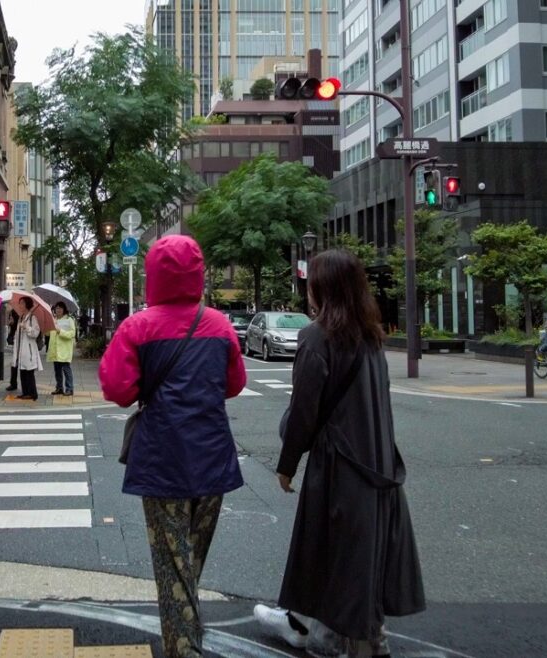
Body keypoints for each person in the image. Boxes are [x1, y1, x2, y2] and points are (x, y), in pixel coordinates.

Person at [256, 249, 424, 657]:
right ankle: (364, 636)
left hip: (339, 464)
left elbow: (304, 411)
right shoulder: (371, 337)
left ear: (323, 289)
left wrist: (286, 465)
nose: (307, 290)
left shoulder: (316, 338)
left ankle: (328, 638)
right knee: (363, 552)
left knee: (330, 549)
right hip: (378, 463)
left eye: (311, 283)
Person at [99, 235, 246, 658]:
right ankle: (188, 632)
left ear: (153, 275)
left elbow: (118, 389)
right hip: (213, 457)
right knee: (188, 561)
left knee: (172, 564)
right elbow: (234, 384)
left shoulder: (137, 327)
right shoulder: (219, 325)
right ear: (198, 273)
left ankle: (184, 649)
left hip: (163, 459)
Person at [13, 296, 42, 401]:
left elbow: (36, 333)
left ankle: (33, 394)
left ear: (27, 305)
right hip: (21, 349)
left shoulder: (32, 318)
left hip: (28, 350)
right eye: (20, 303)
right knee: (22, 372)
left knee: (29, 372)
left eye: (22, 303)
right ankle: (25, 392)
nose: (20, 305)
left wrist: (27, 328)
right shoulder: (21, 318)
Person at [48, 302, 76, 395]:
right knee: (57, 370)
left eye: (60, 308)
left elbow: (72, 334)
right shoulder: (54, 320)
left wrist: (60, 331)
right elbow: (49, 334)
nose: (58, 310)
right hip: (55, 349)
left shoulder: (69, 320)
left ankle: (69, 388)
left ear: (64, 309)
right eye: (57, 308)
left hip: (64, 350)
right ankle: (59, 388)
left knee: (66, 369)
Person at [5, 309, 20, 392]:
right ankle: (13, 383)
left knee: (19, 366)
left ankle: (14, 383)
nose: (10, 318)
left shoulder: (19, 324)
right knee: (14, 365)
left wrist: (12, 324)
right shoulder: (13, 325)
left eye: (11, 316)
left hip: (21, 346)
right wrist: (11, 325)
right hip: (16, 346)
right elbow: (9, 340)